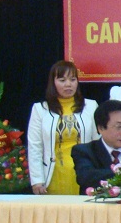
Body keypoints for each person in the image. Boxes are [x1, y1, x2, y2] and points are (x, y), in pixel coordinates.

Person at [28, 60, 99, 195]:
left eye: (72, 79)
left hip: (84, 172)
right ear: (53, 83)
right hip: (53, 174)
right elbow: (35, 147)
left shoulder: (91, 106)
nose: (68, 84)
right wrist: (37, 180)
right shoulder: (40, 109)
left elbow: (97, 143)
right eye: (62, 80)